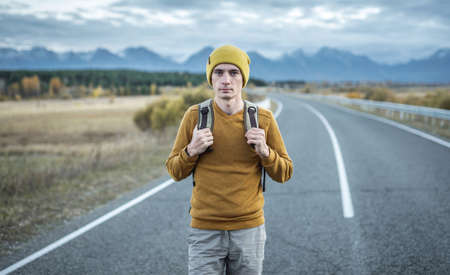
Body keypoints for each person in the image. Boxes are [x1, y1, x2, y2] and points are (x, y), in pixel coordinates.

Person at [166, 44, 293, 274]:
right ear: (211, 78)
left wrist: (265, 152)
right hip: (204, 231)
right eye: (219, 72)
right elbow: (174, 171)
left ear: (243, 79)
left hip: (249, 230)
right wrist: (191, 150)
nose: (226, 80)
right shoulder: (195, 116)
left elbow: (285, 172)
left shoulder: (263, 119)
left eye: (233, 73)